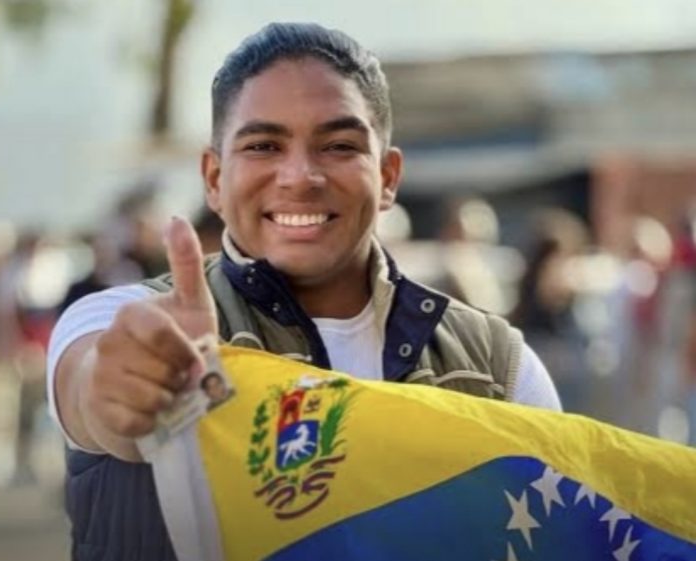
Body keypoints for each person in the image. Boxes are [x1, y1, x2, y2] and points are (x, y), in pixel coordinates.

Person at [47, 22, 561, 561]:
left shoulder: (498, 367)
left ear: (387, 177)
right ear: (214, 178)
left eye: (338, 146)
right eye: (264, 146)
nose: (299, 176)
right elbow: (94, 391)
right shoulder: (122, 318)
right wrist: (130, 392)